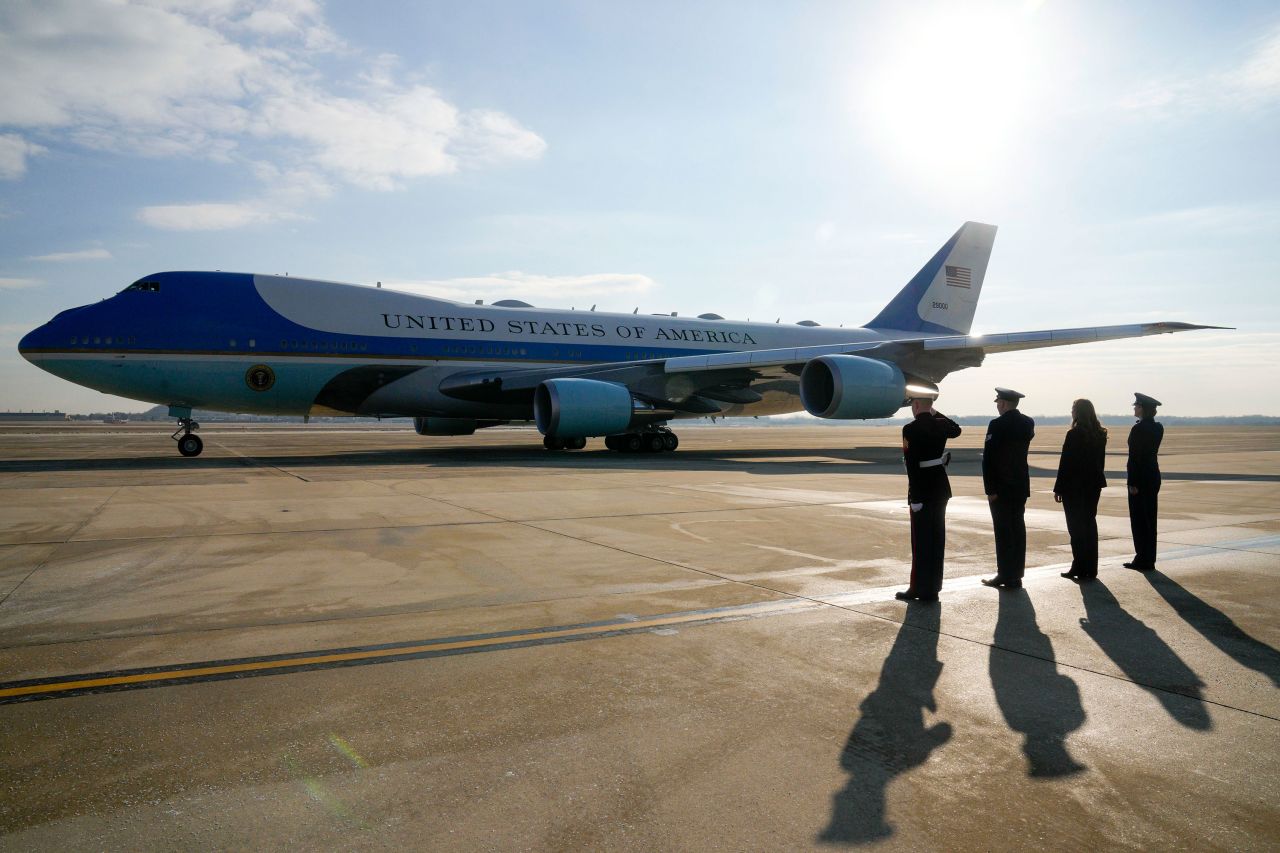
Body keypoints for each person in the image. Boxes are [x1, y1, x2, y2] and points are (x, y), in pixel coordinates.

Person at [897, 397, 962, 602]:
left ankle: (918, 588)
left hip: (922, 491)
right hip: (940, 489)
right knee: (936, 539)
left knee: (921, 542)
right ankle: (933, 587)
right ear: (930, 406)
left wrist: (914, 496)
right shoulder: (941, 425)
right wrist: (934, 412)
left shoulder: (910, 429)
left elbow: (912, 466)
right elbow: (956, 429)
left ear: (915, 406)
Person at [981, 388, 1035, 590]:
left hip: (1001, 487)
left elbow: (989, 459)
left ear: (1003, 404)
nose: (997, 406)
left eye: (998, 403)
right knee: (1018, 529)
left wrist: (990, 489)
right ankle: (1016, 574)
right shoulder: (1028, 422)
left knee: (1003, 531)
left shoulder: (997, 424)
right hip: (1020, 484)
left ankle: (1005, 574)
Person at [1053, 398, 1108, 581]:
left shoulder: (1074, 434)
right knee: (1089, 526)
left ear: (1078, 412)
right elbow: (1100, 463)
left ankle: (1078, 566)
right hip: (1093, 486)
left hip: (1074, 488)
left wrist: (1059, 488)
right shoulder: (1100, 434)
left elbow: (1066, 463)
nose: (1071, 412)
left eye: (1073, 409)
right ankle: (1091, 568)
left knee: (1076, 529)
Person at [1125, 392, 1164, 571]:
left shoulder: (1138, 429)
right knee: (1150, 519)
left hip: (1140, 479)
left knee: (1139, 520)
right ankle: (1149, 558)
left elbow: (1135, 457)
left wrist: (1132, 482)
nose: (1134, 408)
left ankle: (1142, 559)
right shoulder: (1158, 428)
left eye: (1137, 406)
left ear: (1142, 409)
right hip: (1153, 476)